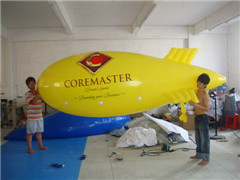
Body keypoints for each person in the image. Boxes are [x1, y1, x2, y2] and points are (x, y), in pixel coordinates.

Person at [189, 73, 210, 165]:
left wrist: (195, 105)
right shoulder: (197, 91)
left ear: (204, 84)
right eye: (198, 81)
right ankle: (199, 154)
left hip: (203, 117)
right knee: (198, 138)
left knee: (204, 139)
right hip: (197, 117)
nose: (198, 83)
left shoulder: (205, 94)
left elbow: (207, 108)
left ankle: (206, 158)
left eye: (200, 82)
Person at [25, 77, 48, 153]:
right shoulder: (27, 94)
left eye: (33, 82)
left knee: (39, 132)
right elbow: (33, 102)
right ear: (28, 85)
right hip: (32, 117)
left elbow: (44, 101)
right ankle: (29, 148)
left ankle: (40, 145)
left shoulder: (39, 93)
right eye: (30, 83)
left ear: (35, 83)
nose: (32, 84)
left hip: (39, 116)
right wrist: (38, 94)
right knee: (30, 133)